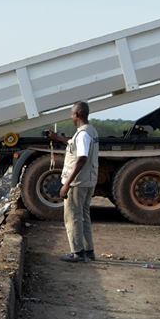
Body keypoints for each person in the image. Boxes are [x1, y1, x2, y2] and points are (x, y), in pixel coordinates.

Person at [47, 101, 99, 262]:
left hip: (77, 183)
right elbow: (75, 145)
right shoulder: (90, 131)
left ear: (77, 114)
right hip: (88, 180)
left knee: (73, 217)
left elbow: (82, 158)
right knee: (84, 216)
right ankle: (88, 251)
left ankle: (77, 253)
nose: (71, 117)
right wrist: (58, 138)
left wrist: (67, 184)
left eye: (72, 114)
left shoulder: (82, 134)